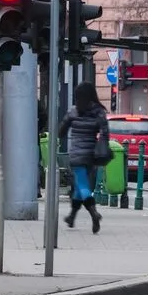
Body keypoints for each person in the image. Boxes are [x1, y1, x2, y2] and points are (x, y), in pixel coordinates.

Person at [59, 81, 109, 234]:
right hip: (91, 155)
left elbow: (61, 131)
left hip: (76, 154)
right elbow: (105, 131)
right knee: (81, 186)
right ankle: (71, 217)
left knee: (82, 186)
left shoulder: (74, 111)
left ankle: (94, 213)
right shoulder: (99, 111)